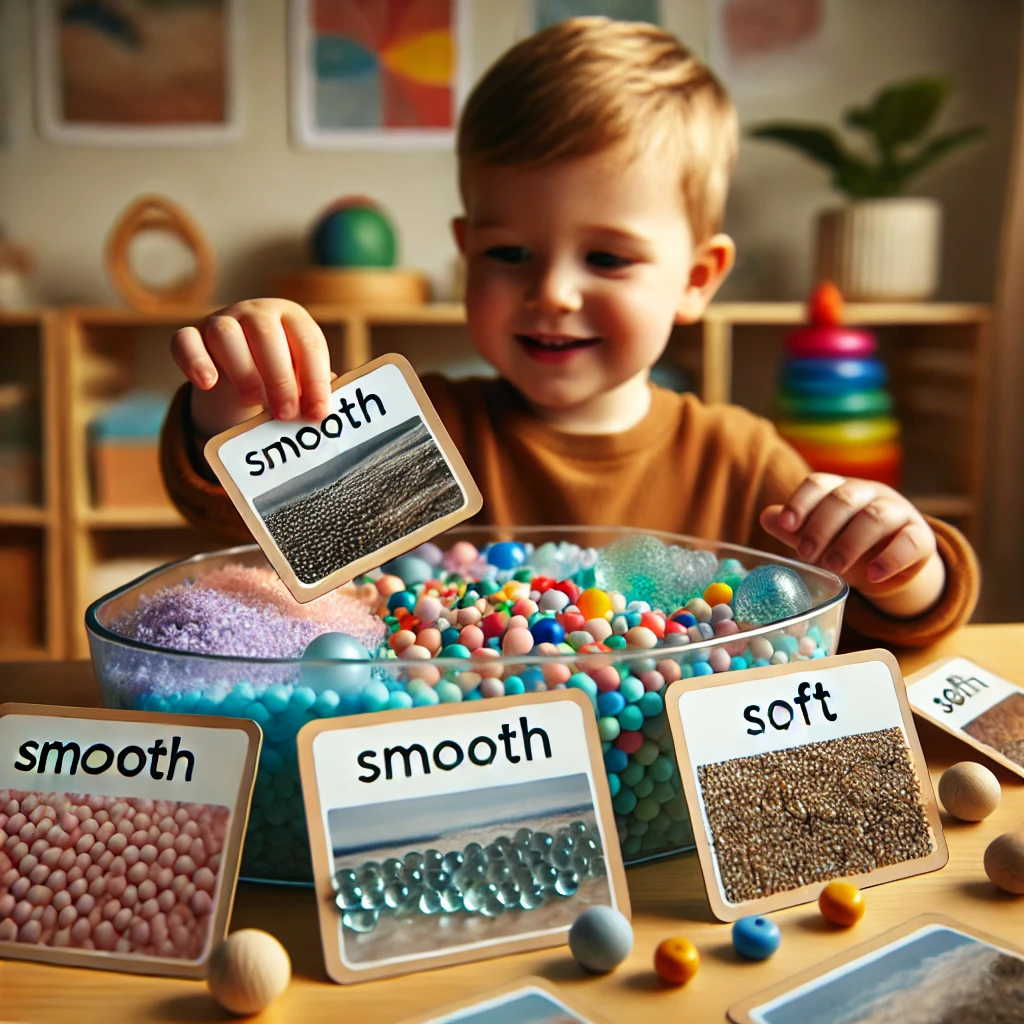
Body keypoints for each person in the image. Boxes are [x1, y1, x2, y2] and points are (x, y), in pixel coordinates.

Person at [160, 17, 978, 647]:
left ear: (696, 279)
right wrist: (233, 411)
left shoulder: (739, 461)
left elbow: (862, 627)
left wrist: (903, 564)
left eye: (609, 258)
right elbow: (244, 534)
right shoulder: (420, 433)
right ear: (463, 255)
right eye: (509, 253)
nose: (551, 293)